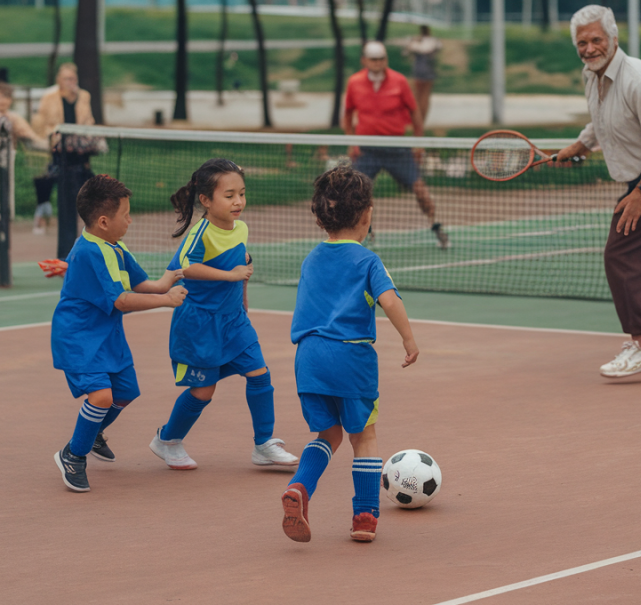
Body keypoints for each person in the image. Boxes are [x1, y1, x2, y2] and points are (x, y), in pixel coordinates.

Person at [280, 166, 420, 544]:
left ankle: (300, 487)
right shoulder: (368, 261)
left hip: (308, 358)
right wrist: (409, 339)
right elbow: (389, 300)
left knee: (328, 433)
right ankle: (365, 516)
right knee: (364, 436)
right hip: (350, 358)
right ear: (367, 214)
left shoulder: (311, 258)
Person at [554, 5, 641, 378]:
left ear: (614, 39)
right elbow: (602, 120)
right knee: (638, 255)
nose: (589, 48)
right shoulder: (591, 75)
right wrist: (579, 146)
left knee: (620, 256)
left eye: (596, 39)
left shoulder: (638, 79)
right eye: (582, 42)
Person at [150, 159, 299, 471]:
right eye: (229, 195)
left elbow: (240, 264)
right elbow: (186, 267)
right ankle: (167, 440)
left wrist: (242, 288)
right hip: (200, 324)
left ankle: (264, 444)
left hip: (233, 320)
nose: (238, 202)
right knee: (203, 392)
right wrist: (230, 275)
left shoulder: (240, 227)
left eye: (242, 194)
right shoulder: (200, 233)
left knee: (260, 374)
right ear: (206, 200)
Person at [51, 174, 187, 492]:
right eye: (125, 215)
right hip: (80, 338)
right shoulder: (92, 252)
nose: (130, 219)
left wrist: (170, 279)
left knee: (125, 392)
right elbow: (122, 300)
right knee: (101, 396)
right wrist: (165, 301)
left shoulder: (114, 245)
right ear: (102, 221)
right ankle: (73, 454)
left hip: (107, 334)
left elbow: (142, 284)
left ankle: (92, 431)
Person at [342, 40, 450, 250]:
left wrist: (418, 144)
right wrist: (351, 141)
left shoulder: (399, 82)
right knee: (358, 194)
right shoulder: (354, 82)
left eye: (381, 59)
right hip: (367, 149)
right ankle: (364, 236)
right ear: (364, 60)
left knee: (420, 189)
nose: (377, 63)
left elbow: (415, 113)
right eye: (373, 59)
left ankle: (436, 226)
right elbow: (347, 114)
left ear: (386, 60)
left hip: (397, 148)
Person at [33, 63, 97, 253]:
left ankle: (90, 249)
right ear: (59, 81)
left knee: (91, 202)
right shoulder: (49, 98)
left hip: (81, 157)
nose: (71, 82)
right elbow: (40, 124)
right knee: (66, 206)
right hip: (60, 159)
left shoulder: (84, 96)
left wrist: (88, 136)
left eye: (74, 78)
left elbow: (89, 121)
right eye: (67, 79)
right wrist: (54, 136)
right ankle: (65, 253)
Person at [403, 25, 442, 123]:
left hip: (418, 71)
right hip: (429, 70)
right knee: (425, 96)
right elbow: (437, 48)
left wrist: (415, 41)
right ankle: (422, 120)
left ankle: (417, 120)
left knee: (417, 96)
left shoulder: (416, 41)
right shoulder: (433, 41)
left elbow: (406, 52)